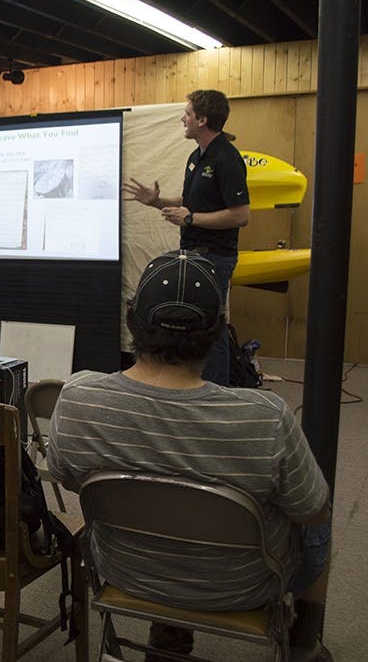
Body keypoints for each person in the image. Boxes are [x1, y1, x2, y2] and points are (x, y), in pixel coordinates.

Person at [47, 250, 332, 661]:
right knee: (320, 512)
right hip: (242, 585)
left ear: (132, 319)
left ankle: (170, 635)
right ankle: (304, 643)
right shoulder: (266, 417)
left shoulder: (78, 398)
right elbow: (312, 511)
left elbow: (67, 477)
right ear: (218, 332)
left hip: (127, 571)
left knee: (159, 509)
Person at [123, 89, 250, 385]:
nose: (183, 118)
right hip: (193, 253)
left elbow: (240, 215)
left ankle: (216, 396)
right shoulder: (196, 156)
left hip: (215, 257)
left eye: (188, 113)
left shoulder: (227, 158)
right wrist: (156, 201)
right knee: (194, 326)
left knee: (210, 328)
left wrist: (191, 218)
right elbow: (189, 200)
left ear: (203, 120)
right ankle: (194, 387)